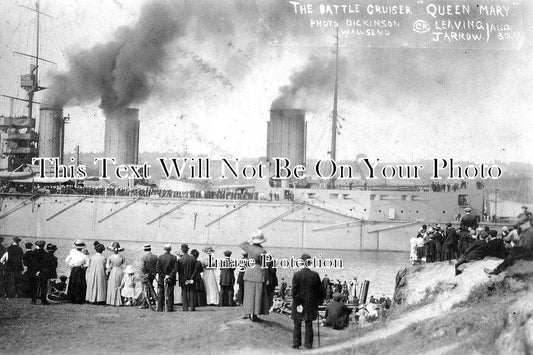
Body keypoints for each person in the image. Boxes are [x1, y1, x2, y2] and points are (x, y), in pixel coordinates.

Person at [291, 253, 324, 350]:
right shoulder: (315, 275)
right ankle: (308, 345)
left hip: (299, 303)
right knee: (309, 324)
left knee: (297, 323)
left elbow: (294, 291)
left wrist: (298, 302)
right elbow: (320, 291)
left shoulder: (297, 275)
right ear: (309, 263)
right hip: (310, 304)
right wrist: (318, 303)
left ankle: (296, 344)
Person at [239, 230, 269, 322]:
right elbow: (264, 266)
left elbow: (241, 244)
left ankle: (247, 313)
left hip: (249, 272)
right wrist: (266, 278)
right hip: (258, 273)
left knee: (248, 295)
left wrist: (249, 239)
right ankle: (254, 315)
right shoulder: (263, 251)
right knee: (257, 295)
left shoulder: (249, 247)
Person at [65, 240, 90, 304]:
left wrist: (71, 265)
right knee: (80, 284)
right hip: (80, 269)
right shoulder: (83, 255)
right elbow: (87, 263)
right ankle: (79, 299)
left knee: (73, 283)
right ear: (82, 247)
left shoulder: (73, 253)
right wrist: (83, 266)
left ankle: (71, 298)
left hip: (74, 269)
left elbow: (67, 260)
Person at [156, 244, 177, 312]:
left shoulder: (160, 257)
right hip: (171, 278)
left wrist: (163, 275)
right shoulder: (174, 257)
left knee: (160, 293)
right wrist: (169, 276)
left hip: (162, 278)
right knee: (170, 293)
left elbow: (157, 268)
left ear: (164, 249)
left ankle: (160, 308)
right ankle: (170, 308)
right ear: (170, 249)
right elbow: (175, 269)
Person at [177, 244, 196, 311]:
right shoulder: (193, 258)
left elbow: (180, 271)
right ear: (188, 250)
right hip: (191, 278)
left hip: (183, 278)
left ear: (182, 250)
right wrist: (191, 277)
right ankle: (192, 307)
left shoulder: (180, 260)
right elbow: (195, 270)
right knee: (191, 292)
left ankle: (185, 307)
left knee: (184, 292)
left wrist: (184, 278)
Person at [138, 243, 158, 309]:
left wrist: (143, 275)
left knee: (144, 289)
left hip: (145, 276)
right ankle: (153, 301)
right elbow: (157, 267)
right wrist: (153, 273)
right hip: (152, 275)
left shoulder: (143, 257)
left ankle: (144, 303)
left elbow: (142, 267)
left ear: (144, 249)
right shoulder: (155, 257)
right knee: (150, 288)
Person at [106, 242, 125, 306]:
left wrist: (110, 268)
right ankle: (120, 301)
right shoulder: (122, 257)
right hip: (120, 270)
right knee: (120, 284)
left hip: (113, 271)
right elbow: (124, 265)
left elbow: (107, 266)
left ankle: (112, 301)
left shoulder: (110, 257)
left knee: (113, 285)